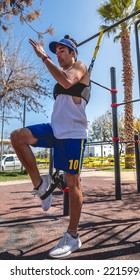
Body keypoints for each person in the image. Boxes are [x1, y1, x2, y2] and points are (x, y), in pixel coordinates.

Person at [10, 35, 90, 258]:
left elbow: (67, 81)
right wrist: (48, 58)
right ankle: (41, 185)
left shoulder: (80, 67)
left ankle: (73, 236)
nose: (58, 53)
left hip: (74, 135)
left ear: (73, 53)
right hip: (55, 129)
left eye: (63, 50)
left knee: (73, 183)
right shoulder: (60, 73)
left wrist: (43, 56)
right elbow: (61, 83)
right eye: (56, 51)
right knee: (17, 136)